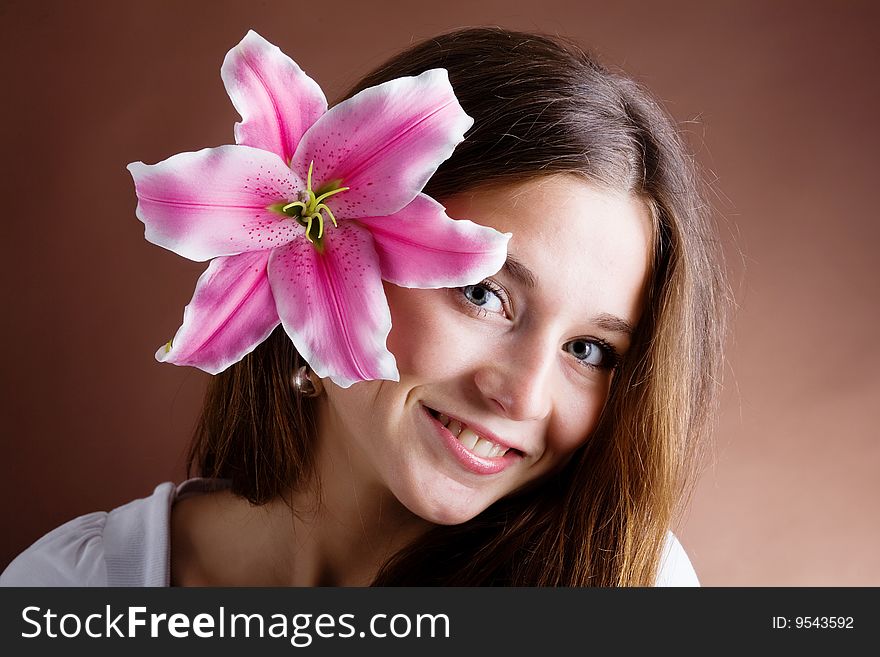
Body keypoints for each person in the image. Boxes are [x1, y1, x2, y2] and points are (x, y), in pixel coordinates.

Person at [1, 26, 726, 587]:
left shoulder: (623, 587)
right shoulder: (77, 587)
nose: (524, 395)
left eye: (590, 349)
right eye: (483, 293)